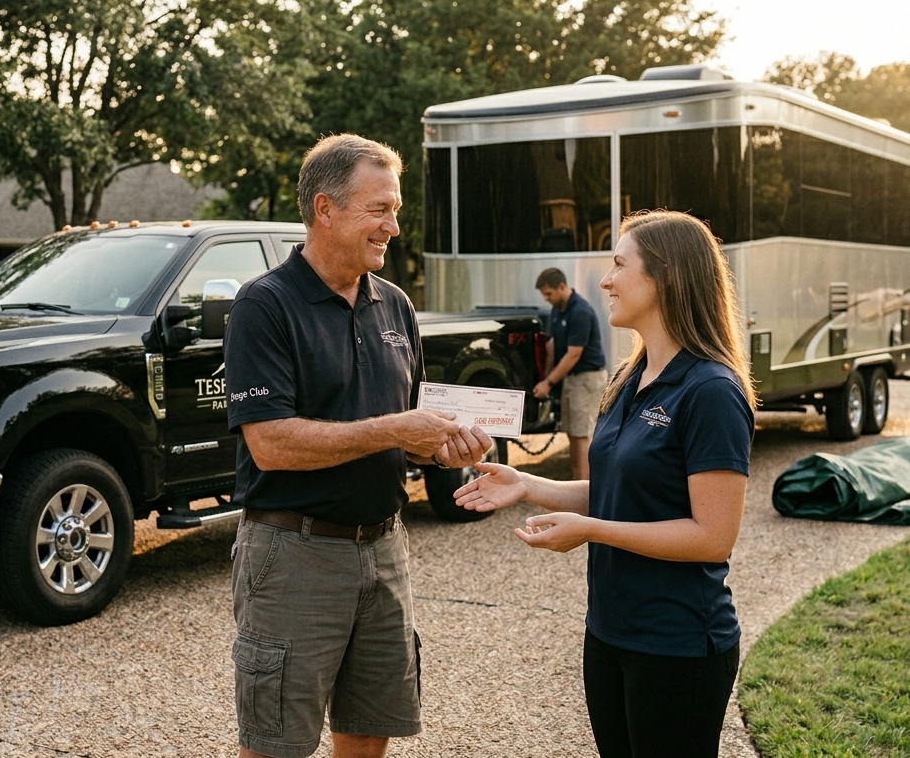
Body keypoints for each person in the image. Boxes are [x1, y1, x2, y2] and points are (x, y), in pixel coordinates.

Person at [223, 133, 493, 758]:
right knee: (276, 744)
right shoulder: (265, 306)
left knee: (371, 731)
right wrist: (399, 429)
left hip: (385, 548)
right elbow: (271, 445)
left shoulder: (394, 305)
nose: (393, 226)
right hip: (294, 553)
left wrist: (440, 450)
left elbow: (410, 434)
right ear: (326, 208)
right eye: (380, 209)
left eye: (395, 210)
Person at [456, 210, 756, 758]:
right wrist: (525, 484)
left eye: (619, 264)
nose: (606, 280)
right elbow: (621, 495)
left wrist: (591, 530)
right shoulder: (628, 378)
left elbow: (713, 535)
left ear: (666, 277)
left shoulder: (711, 390)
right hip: (610, 635)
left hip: (679, 644)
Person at [532, 267, 607, 480]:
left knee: (582, 434)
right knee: (572, 433)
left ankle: (585, 486)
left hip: (587, 378)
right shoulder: (558, 309)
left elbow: (574, 354)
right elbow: (553, 346)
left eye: (548, 293)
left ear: (562, 287)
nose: (546, 299)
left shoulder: (580, 311)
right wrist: (545, 376)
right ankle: (577, 478)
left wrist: (548, 382)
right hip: (570, 379)